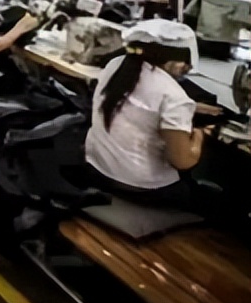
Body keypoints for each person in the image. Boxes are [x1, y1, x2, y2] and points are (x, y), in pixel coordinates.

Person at [84, 20, 212, 209]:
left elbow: (140, 99)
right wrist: (200, 134)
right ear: (172, 60)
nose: (186, 69)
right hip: (143, 190)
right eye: (185, 64)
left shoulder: (116, 66)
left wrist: (190, 107)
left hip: (98, 171)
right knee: (219, 202)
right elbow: (182, 161)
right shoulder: (174, 96)